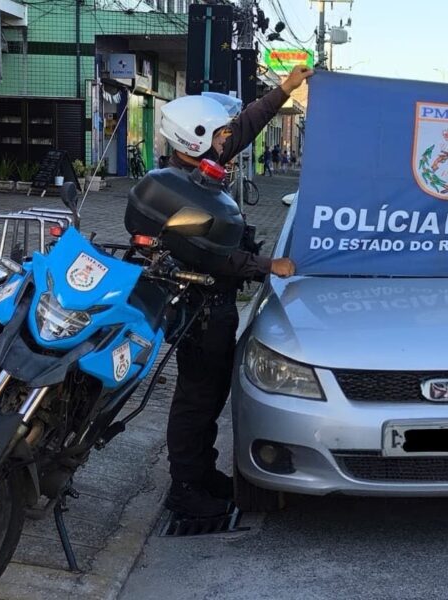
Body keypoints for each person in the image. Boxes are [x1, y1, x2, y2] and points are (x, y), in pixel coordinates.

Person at [155, 65, 313, 517]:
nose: (230, 139)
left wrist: (286, 88)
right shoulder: (176, 192)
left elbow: (245, 127)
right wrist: (268, 265)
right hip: (199, 310)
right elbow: (210, 255)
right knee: (196, 401)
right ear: (197, 138)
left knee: (209, 399)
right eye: (220, 134)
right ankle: (184, 489)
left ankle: (202, 475)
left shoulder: (202, 170)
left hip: (217, 307)